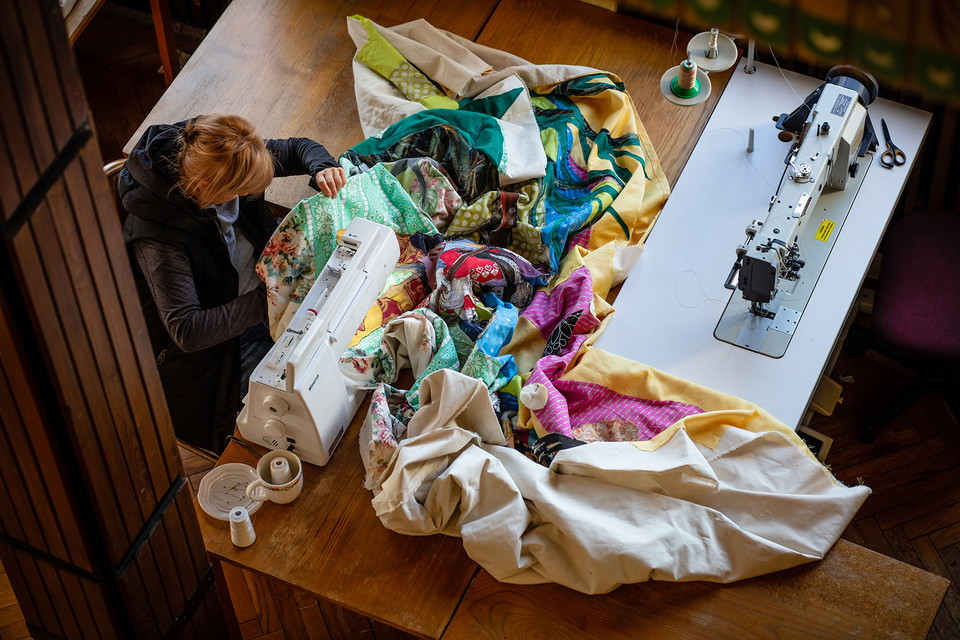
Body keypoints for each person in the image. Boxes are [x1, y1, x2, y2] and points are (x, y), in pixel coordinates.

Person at [119, 114, 347, 454]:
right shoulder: (158, 240)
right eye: (240, 192)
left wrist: (322, 166)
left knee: (338, 361)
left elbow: (298, 149)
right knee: (307, 408)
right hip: (216, 352)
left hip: (257, 302)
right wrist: (268, 298)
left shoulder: (221, 155)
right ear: (204, 191)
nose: (249, 195)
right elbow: (187, 330)